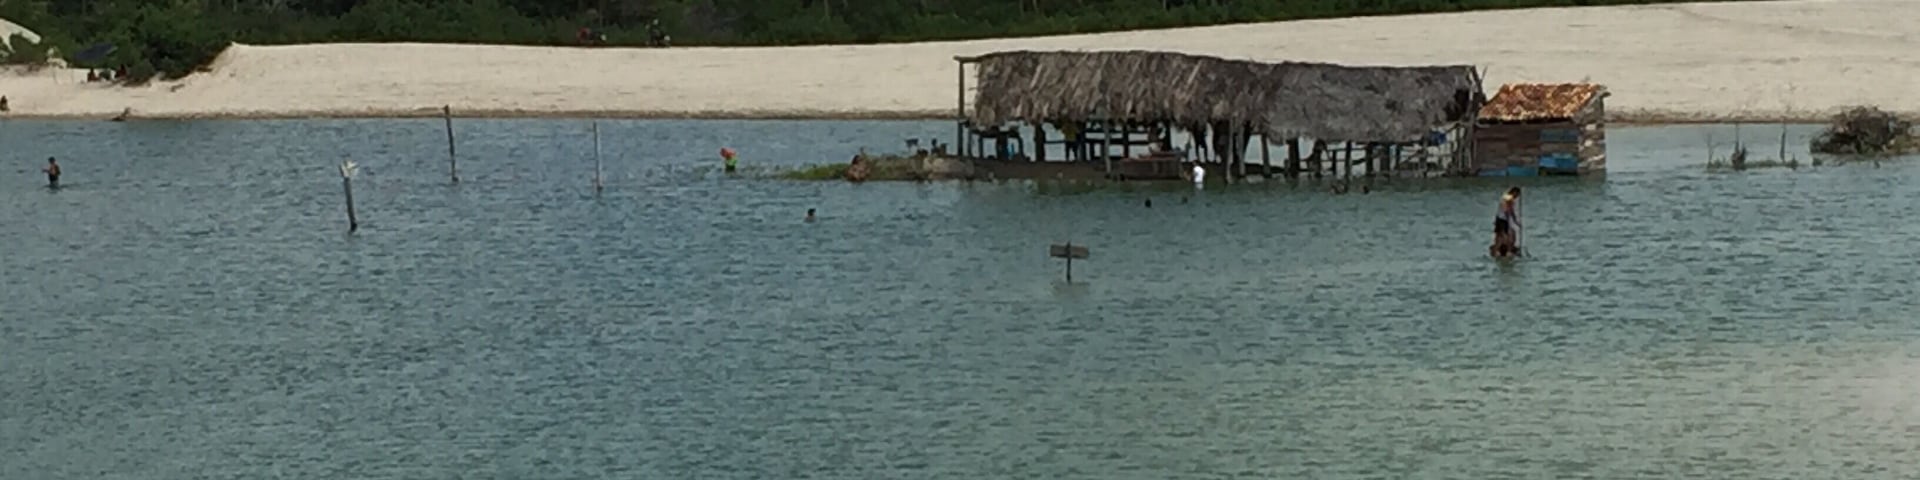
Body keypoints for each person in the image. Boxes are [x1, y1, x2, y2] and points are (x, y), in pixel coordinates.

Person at [1492, 187, 1522, 256]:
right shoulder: (1507, 197)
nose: (1517, 197)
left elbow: (1511, 211)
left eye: (1518, 195)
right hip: (1501, 219)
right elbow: (1506, 209)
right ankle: (1498, 251)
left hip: (1504, 219)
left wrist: (1515, 221)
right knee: (1503, 236)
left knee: (1510, 234)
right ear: (1514, 192)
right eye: (1516, 194)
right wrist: (1508, 212)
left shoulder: (1511, 199)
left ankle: (1508, 250)